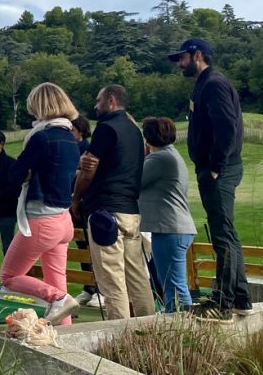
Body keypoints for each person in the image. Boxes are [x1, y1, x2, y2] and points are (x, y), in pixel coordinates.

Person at [169, 38, 253, 322]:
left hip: (220, 169)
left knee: (222, 236)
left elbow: (227, 128)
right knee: (226, 233)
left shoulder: (214, 83)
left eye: (182, 57)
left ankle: (223, 304)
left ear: (198, 55)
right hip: (215, 168)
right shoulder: (203, 84)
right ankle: (240, 299)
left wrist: (216, 165)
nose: (179, 64)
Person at [0, 83, 81, 325]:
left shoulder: (40, 137)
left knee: (9, 276)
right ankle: (66, 337)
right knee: (57, 280)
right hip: (63, 220)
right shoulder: (70, 137)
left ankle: (59, 299)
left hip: (42, 218)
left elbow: (15, 174)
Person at [73, 84, 155, 321]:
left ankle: (119, 335)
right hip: (131, 211)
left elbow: (89, 169)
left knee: (112, 280)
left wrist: (77, 199)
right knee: (137, 276)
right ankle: (149, 327)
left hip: (105, 211)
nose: (95, 106)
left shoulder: (106, 129)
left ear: (111, 100)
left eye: (98, 101)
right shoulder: (134, 130)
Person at [139, 117, 196, 313]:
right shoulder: (170, 155)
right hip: (175, 228)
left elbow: (134, 181)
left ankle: (181, 325)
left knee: (173, 285)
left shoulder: (160, 158)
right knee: (173, 283)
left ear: (147, 137)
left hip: (170, 229)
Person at [70, 114, 100, 308]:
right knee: (81, 245)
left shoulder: (86, 150)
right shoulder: (72, 149)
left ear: (79, 131)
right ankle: (88, 288)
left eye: (71, 130)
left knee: (92, 247)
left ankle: (99, 289)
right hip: (73, 204)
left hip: (85, 204)